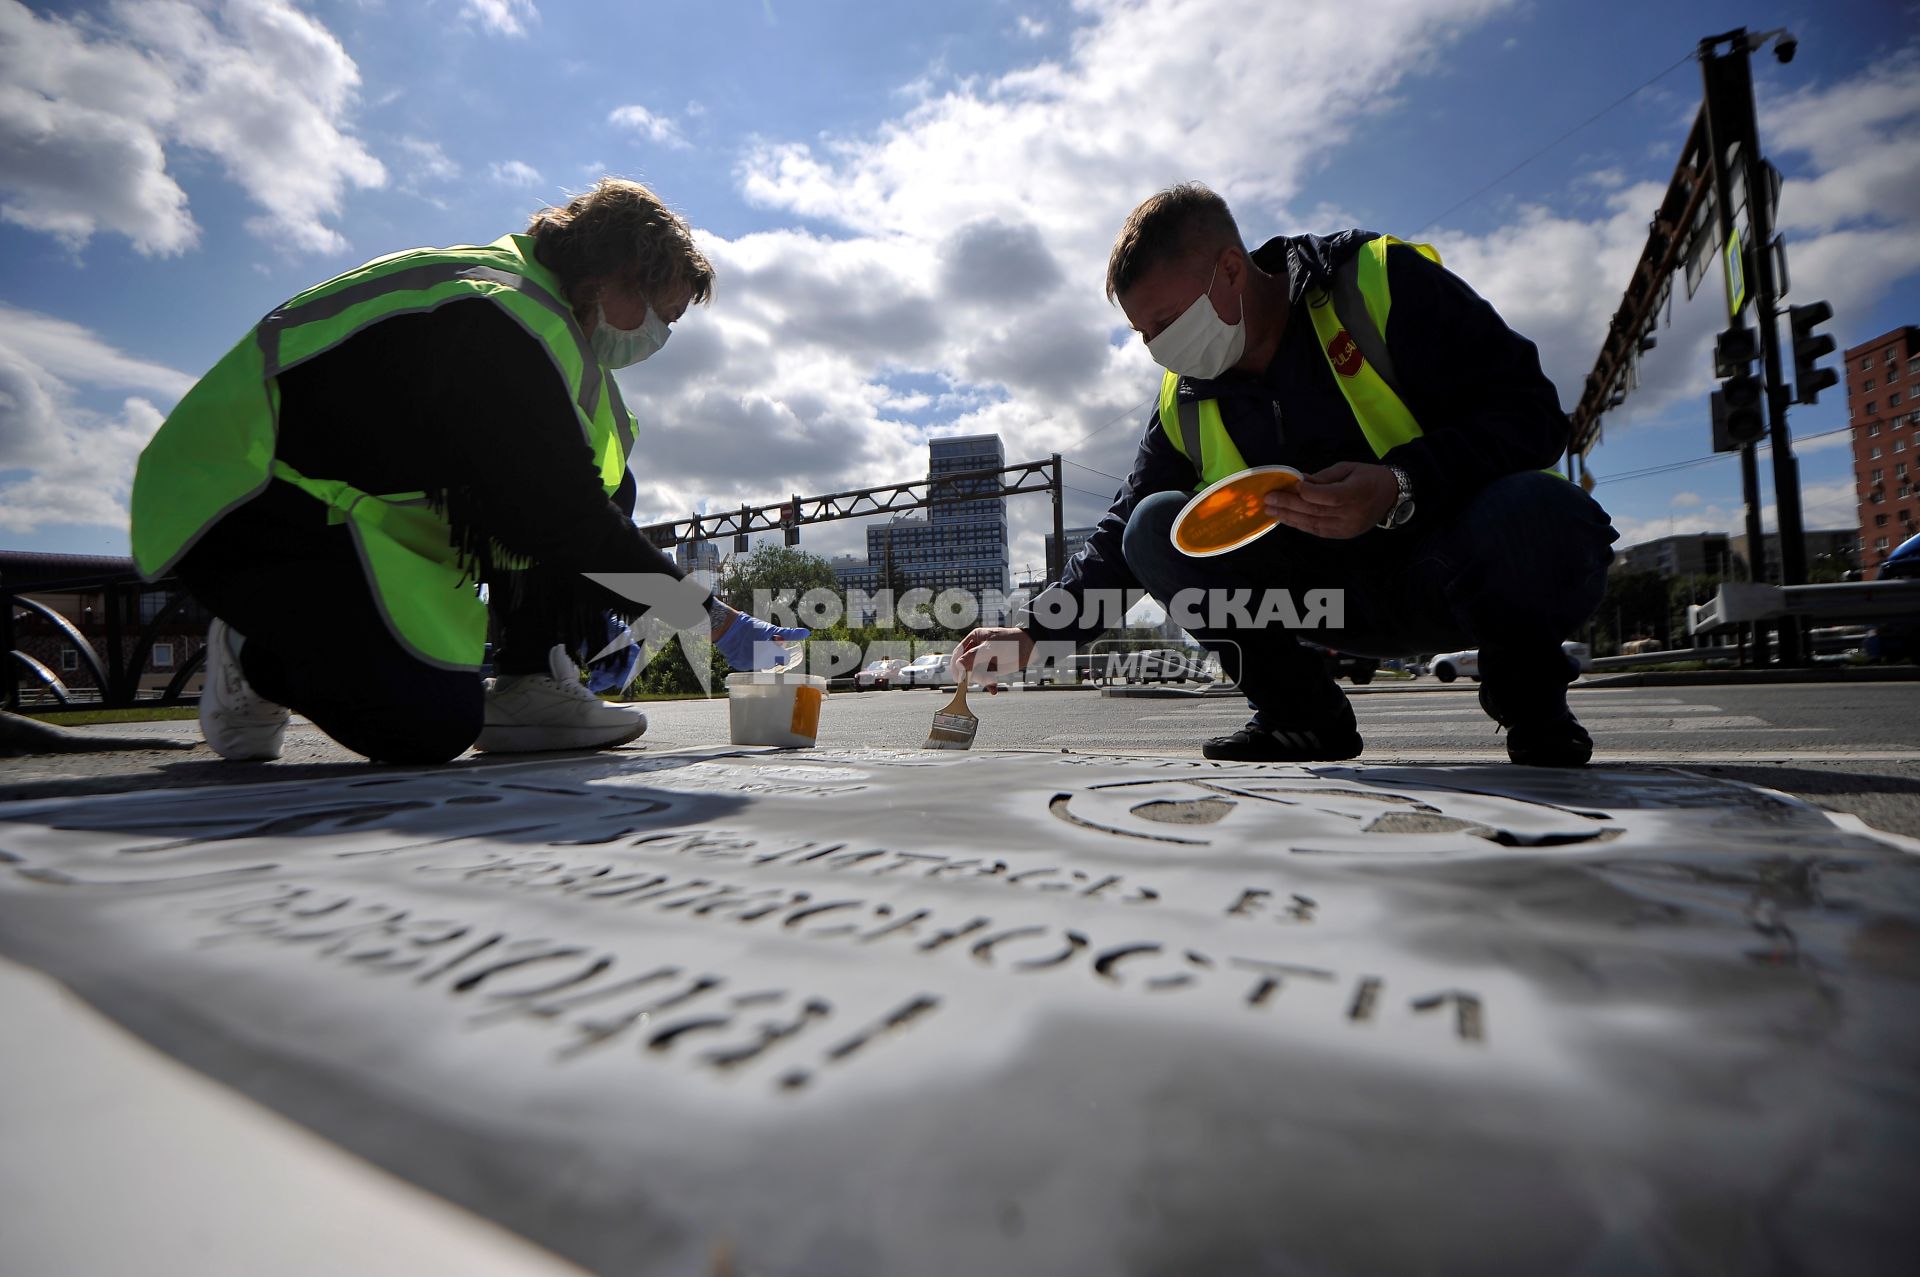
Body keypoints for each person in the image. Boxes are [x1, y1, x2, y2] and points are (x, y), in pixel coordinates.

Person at [130, 178, 805, 765]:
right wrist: (711, 617)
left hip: (341, 508)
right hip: (241, 498)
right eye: (659, 310)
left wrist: (585, 615)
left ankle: (530, 681)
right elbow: (565, 518)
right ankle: (255, 648)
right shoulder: (497, 316)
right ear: (612, 274)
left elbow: (568, 504)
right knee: (428, 724)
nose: (660, 332)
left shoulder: (552, 336)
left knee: (603, 481)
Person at [955, 183, 1618, 765]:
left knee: (1544, 510)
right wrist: (1036, 633)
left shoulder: (1375, 283)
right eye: (1142, 332)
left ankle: (1534, 710)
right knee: (1155, 527)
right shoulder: (1186, 394)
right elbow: (1124, 524)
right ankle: (1301, 717)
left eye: (1166, 321)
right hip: (1323, 605)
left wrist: (1399, 484)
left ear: (1231, 269)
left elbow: (1532, 413)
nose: (1160, 347)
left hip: (1450, 570)